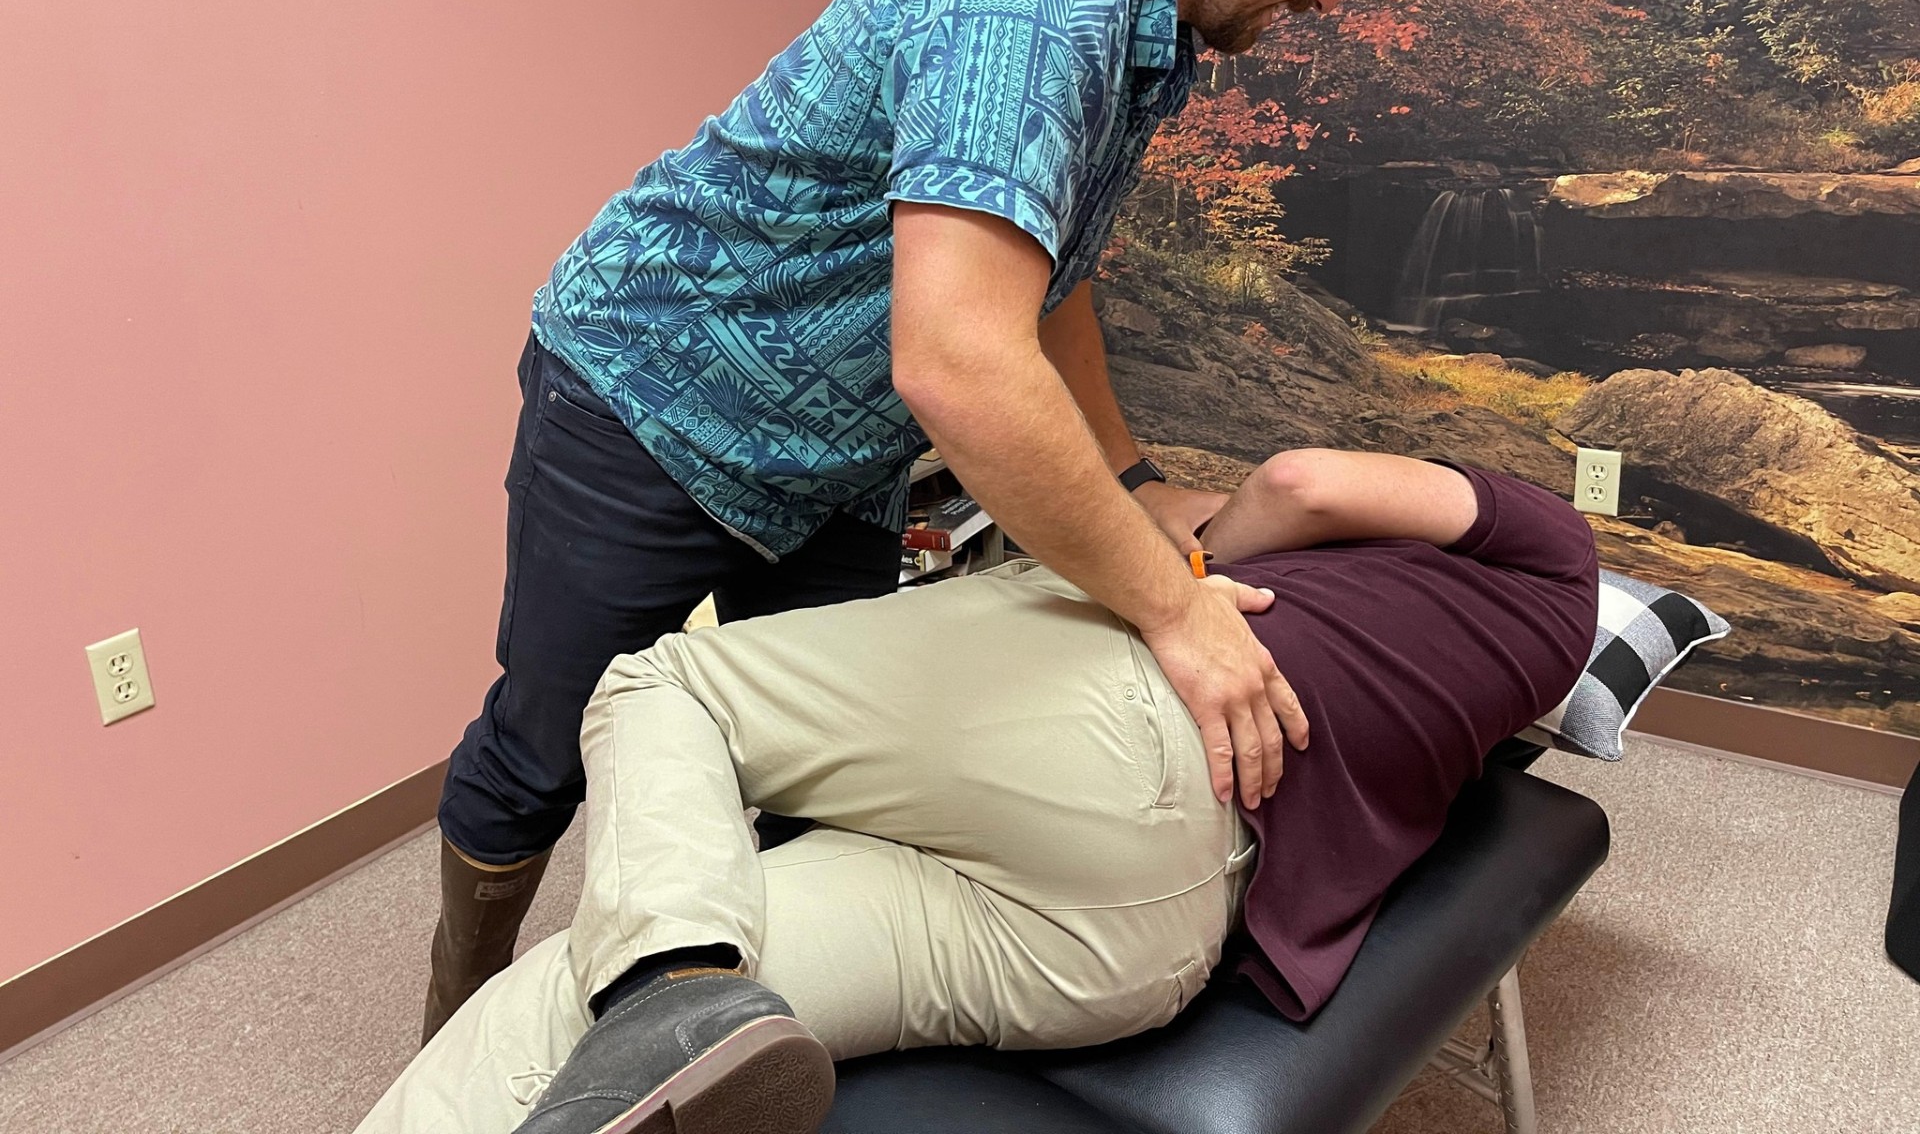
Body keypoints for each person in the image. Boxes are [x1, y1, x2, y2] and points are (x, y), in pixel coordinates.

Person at [422, 0, 1453, 1046]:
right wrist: (1176, 611)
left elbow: (1045, 279)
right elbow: (962, 364)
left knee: (831, 766)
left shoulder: (1144, 23)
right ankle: (453, 1026)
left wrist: (1134, 480)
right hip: (655, 397)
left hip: (835, 453)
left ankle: (748, 1042)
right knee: (544, 747)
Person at [357, 450, 1598, 1134]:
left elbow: (1302, 484)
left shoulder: (1554, 544)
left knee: (664, 685)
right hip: (1139, 947)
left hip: (1129, 734)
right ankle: (665, 999)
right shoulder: (1504, 682)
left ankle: (670, 988)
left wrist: (1198, 564)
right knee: (569, 1001)